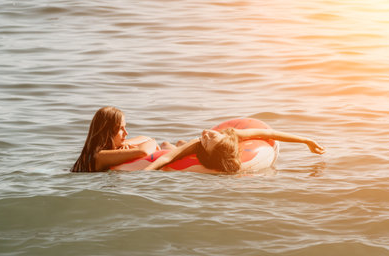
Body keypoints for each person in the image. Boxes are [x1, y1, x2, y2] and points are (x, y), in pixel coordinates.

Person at [144, 127, 325, 173]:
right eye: (212, 136)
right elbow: (269, 133)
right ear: (225, 136)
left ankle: (177, 144)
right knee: (169, 145)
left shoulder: (199, 144)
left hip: (193, 149)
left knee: (169, 144)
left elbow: (168, 159)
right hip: (192, 146)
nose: (205, 134)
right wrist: (306, 141)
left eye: (208, 139)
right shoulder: (233, 134)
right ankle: (177, 144)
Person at [71, 106, 158, 172]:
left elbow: (144, 138)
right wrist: (153, 142)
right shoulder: (99, 156)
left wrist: (127, 143)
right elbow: (143, 151)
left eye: (125, 127)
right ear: (107, 132)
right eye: (120, 128)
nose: (126, 133)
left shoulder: (94, 152)